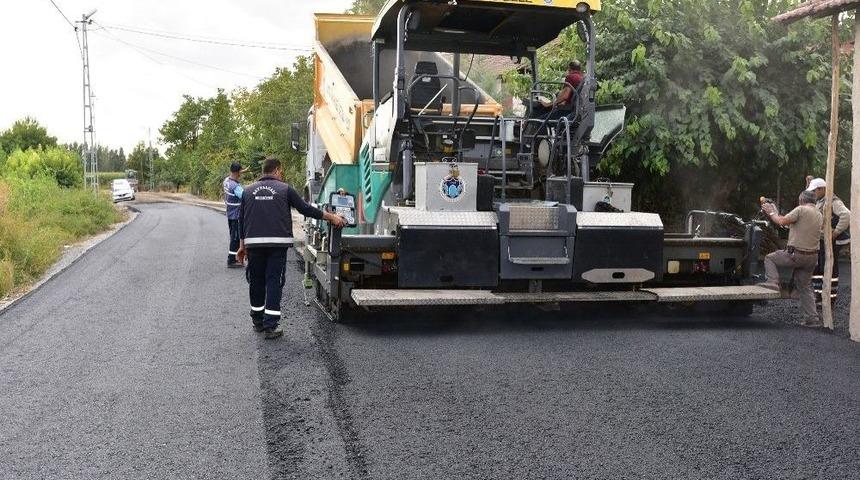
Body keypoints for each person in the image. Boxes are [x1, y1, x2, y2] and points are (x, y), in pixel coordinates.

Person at [236, 157, 346, 339]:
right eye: (281, 171)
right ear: (277, 170)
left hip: (253, 244)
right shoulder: (284, 189)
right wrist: (331, 217)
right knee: (273, 281)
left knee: (256, 281)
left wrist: (241, 246)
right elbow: (305, 209)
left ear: (264, 171)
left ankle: (257, 321)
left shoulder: (247, 191)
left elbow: (241, 220)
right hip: (277, 245)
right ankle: (270, 326)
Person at [760, 190, 824, 326]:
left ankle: (773, 282)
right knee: (805, 287)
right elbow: (788, 223)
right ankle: (812, 318)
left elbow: (780, 221)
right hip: (812, 257)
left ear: (801, 200)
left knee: (769, 258)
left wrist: (771, 212)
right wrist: (776, 211)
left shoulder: (801, 209)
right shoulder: (819, 213)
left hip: (796, 255)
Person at [806, 177, 851, 304]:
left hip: (831, 241)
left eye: (814, 191)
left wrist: (836, 232)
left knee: (829, 268)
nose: (813, 194)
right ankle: (819, 295)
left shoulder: (833, 201)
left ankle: (829, 298)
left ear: (822, 189)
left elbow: (846, 215)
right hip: (821, 240)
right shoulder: (821, 200)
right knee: (818, 267)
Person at [223, 162, 247, 268]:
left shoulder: (226, 181)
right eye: (241, 171)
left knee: (233, 236)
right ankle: (232, 260)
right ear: (238, 172)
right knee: (236, 238)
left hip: (230, 213)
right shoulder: (236, 186)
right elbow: (245, 196)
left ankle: (234, 257)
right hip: (236, 215)